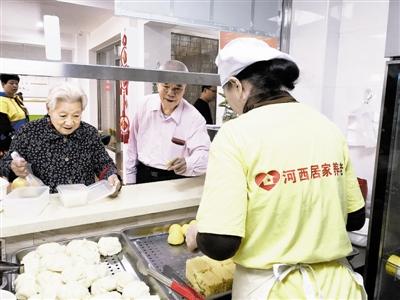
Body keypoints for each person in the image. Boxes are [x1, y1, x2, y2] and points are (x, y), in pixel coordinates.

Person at [185, 38, 367, 299]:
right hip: (339, 288)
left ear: (236, 86)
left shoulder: (235, 135)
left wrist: (198, 234)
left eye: (227, 93)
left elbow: (220, 243)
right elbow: (355, 218)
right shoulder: (327, 126)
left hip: (271, 290)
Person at [0, 82, 121, 195]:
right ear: (49, 109)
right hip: (47, 206)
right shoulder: (29, 132)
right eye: (63, 115)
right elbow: (4, 163)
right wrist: (13, 167)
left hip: (83, 203)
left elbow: (104, 164)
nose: (69, 122)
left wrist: (111, 176)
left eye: (76, 115)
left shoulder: (89, 133)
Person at [126, 60, 210, 184]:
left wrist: (188, 163)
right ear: (158, 85)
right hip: (143, 175)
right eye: (166, 86)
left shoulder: (194, 118)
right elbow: (132, 148)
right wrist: (130, 181)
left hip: (175, 179)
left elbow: (205, 155)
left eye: (177, 88)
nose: (171, 93)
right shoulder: (144, 105)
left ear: (185, 88)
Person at [0, 74, 29, 158]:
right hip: (9, 141)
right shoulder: (1, 101)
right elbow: (3, 126)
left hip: (21, 137)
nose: (15, 86)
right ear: (3, 84)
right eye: (11, 83)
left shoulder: (16, 98)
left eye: (16, 83)